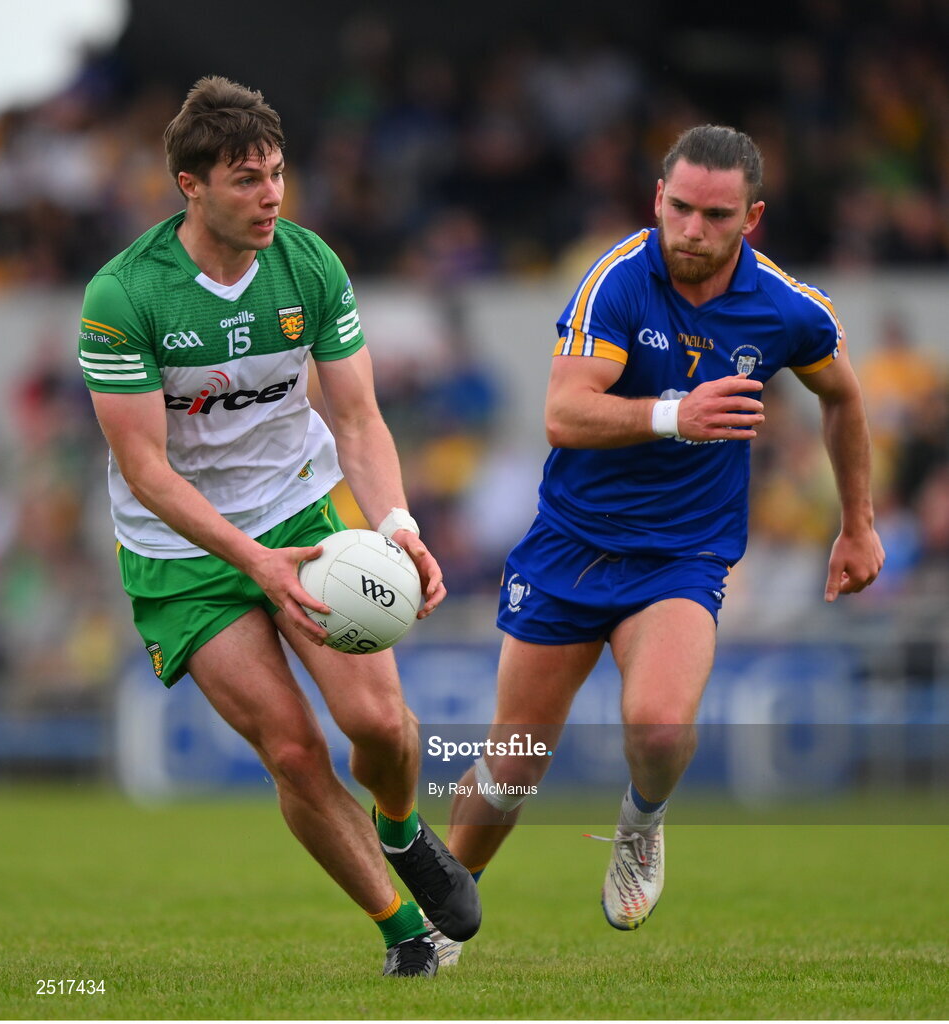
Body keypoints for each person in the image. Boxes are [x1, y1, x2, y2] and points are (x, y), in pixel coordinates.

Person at [429, 124, 884, 966]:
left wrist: (855, 524)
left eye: (714, 215)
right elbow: (563, 412)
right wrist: (679, 413)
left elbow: (843, 399)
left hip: (682, 557)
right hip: (569, 547)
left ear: (749, 219)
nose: (691, 229)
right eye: (678, 208)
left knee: (662, 725)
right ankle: (442, 914)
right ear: (657, 200)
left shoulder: (789, 308)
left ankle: (639, 822)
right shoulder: (615, 281)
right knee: (512, 764)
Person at [76, 75, 480, 978]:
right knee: (295, 749)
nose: (270, 196)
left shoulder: (308, 264)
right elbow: (147, 470)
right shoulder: (124, 296)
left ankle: (403, 829)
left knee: (380, 727)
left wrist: (400, 525)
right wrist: (256, 563)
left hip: (304, 504)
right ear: (191, 185)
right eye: (247, 180)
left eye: (277, 175)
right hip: (180, 548)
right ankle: (405, 936)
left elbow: (359, 419)